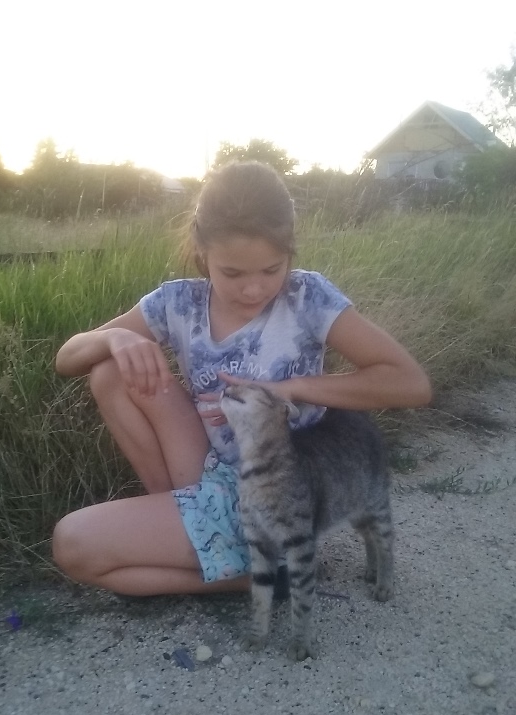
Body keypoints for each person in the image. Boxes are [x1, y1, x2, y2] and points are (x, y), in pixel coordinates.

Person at [52, 162, 431, 597]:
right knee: (109, 369)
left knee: (73, 545)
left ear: (290, 251)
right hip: (210, 466)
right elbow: (67, 358)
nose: (254, 290)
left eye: (272, 270)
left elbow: (410, 383)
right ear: (202, 252)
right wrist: (114, 338)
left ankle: (261, 570)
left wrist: (292, 388)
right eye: (232, 273)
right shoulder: (178, 301)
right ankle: (202, 532)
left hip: (275, 491)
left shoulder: (306, 298)